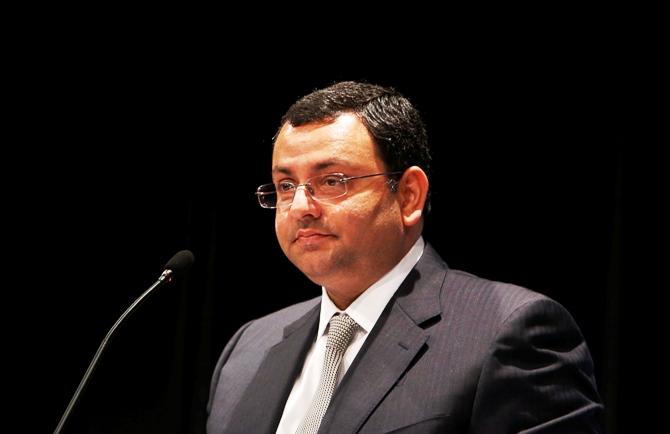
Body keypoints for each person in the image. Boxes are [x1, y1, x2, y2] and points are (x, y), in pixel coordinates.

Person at [206, 81, 603, 433]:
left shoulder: (508, 332)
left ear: (409, 194)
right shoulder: (248, 349)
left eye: (331, 181)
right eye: (285, 185)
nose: (300, 207)